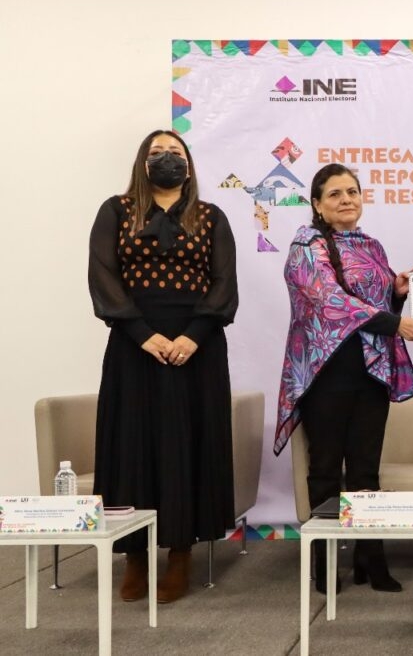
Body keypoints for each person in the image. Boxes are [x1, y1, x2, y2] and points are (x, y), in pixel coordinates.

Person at [89, 129, 238, 604]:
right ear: (142, 162)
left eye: (175, 152)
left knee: (188, 444)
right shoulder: (116, 210)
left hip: (198, 346)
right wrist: (143, 334)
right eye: (157, 152)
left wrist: (193, 336)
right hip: (135, 343)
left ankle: (180, 554)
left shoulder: (211, 216)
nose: (166, 158)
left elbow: (224, 282)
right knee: (132, 444)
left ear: (188, 166)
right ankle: (134, 554)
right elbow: (103, 275)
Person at [274, 163, 413, 594]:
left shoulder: (371, 245)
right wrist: (394, 323)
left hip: (370, 370)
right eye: (335, 194)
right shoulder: (305, 245)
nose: (346, 200)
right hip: (326, 371)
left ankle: (370, 558)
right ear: (317, 204)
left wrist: (396, 293)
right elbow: (330, 300)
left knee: (365, 469)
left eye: (352, 192)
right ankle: (325, 563)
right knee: (326, 469)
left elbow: (375, 302)